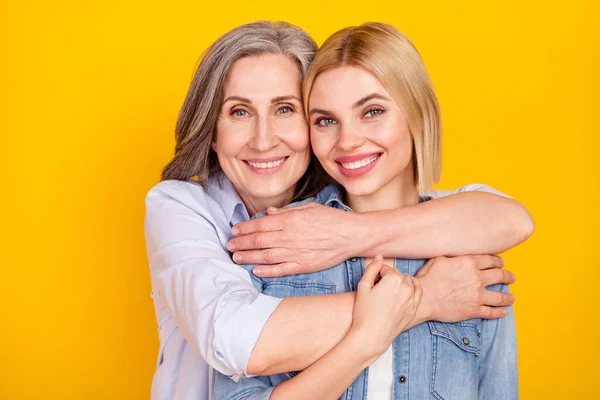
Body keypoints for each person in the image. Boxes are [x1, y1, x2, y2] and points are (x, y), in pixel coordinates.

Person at [144, 21, 533, 400]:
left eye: (284, 109)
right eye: (240, 112)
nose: (263, 141)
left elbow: (512, 219)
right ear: (210, 130)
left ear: (418, 114)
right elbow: (233, 338)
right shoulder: (265, 243)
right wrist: (422, 299)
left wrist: (350, 234)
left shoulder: (465, 252)